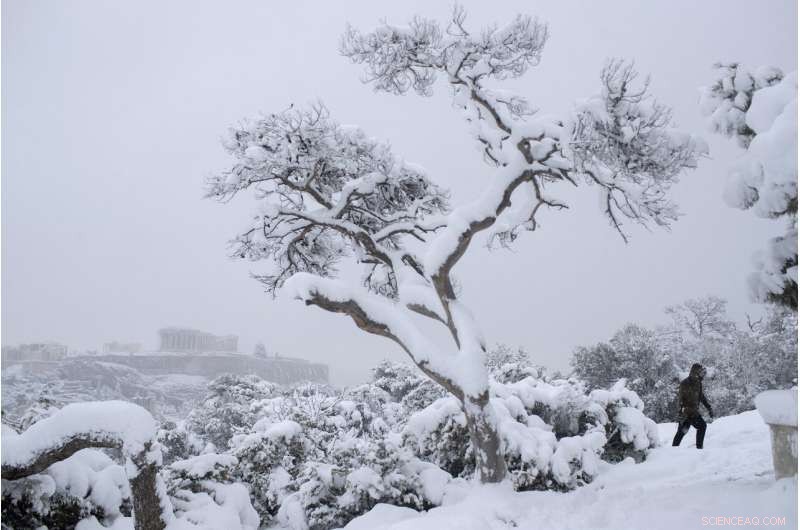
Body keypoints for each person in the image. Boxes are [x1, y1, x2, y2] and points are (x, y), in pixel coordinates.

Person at [672, 363, 714, 449]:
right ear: (696, 372)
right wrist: (681, 413)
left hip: (694, 412)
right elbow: (680, 399)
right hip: (686, 414)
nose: (703, 375)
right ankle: (673, 451)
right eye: (701, 372)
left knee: (701, 426)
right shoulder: (685, 383)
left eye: (703, 373)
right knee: (681, 432)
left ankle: (699, 448)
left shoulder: (698, 383)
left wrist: (708, 407)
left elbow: (701, 396)